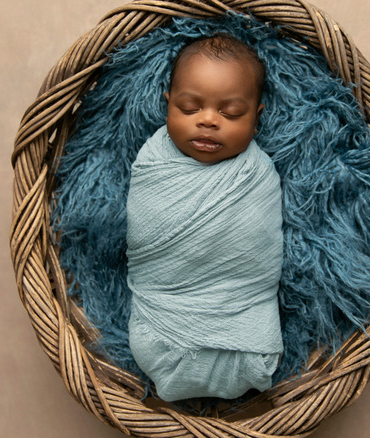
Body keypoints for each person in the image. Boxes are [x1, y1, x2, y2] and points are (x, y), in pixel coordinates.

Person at [125, 33, 284, 402]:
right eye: (190, 108)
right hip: (162, 314)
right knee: (150, 338)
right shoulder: (153, 162)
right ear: (167, 106)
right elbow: (143, 228)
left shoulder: (257, 174)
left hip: (243, 314)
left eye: (231, 113)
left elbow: (258, 249)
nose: (209, 120)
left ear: (256, 118)